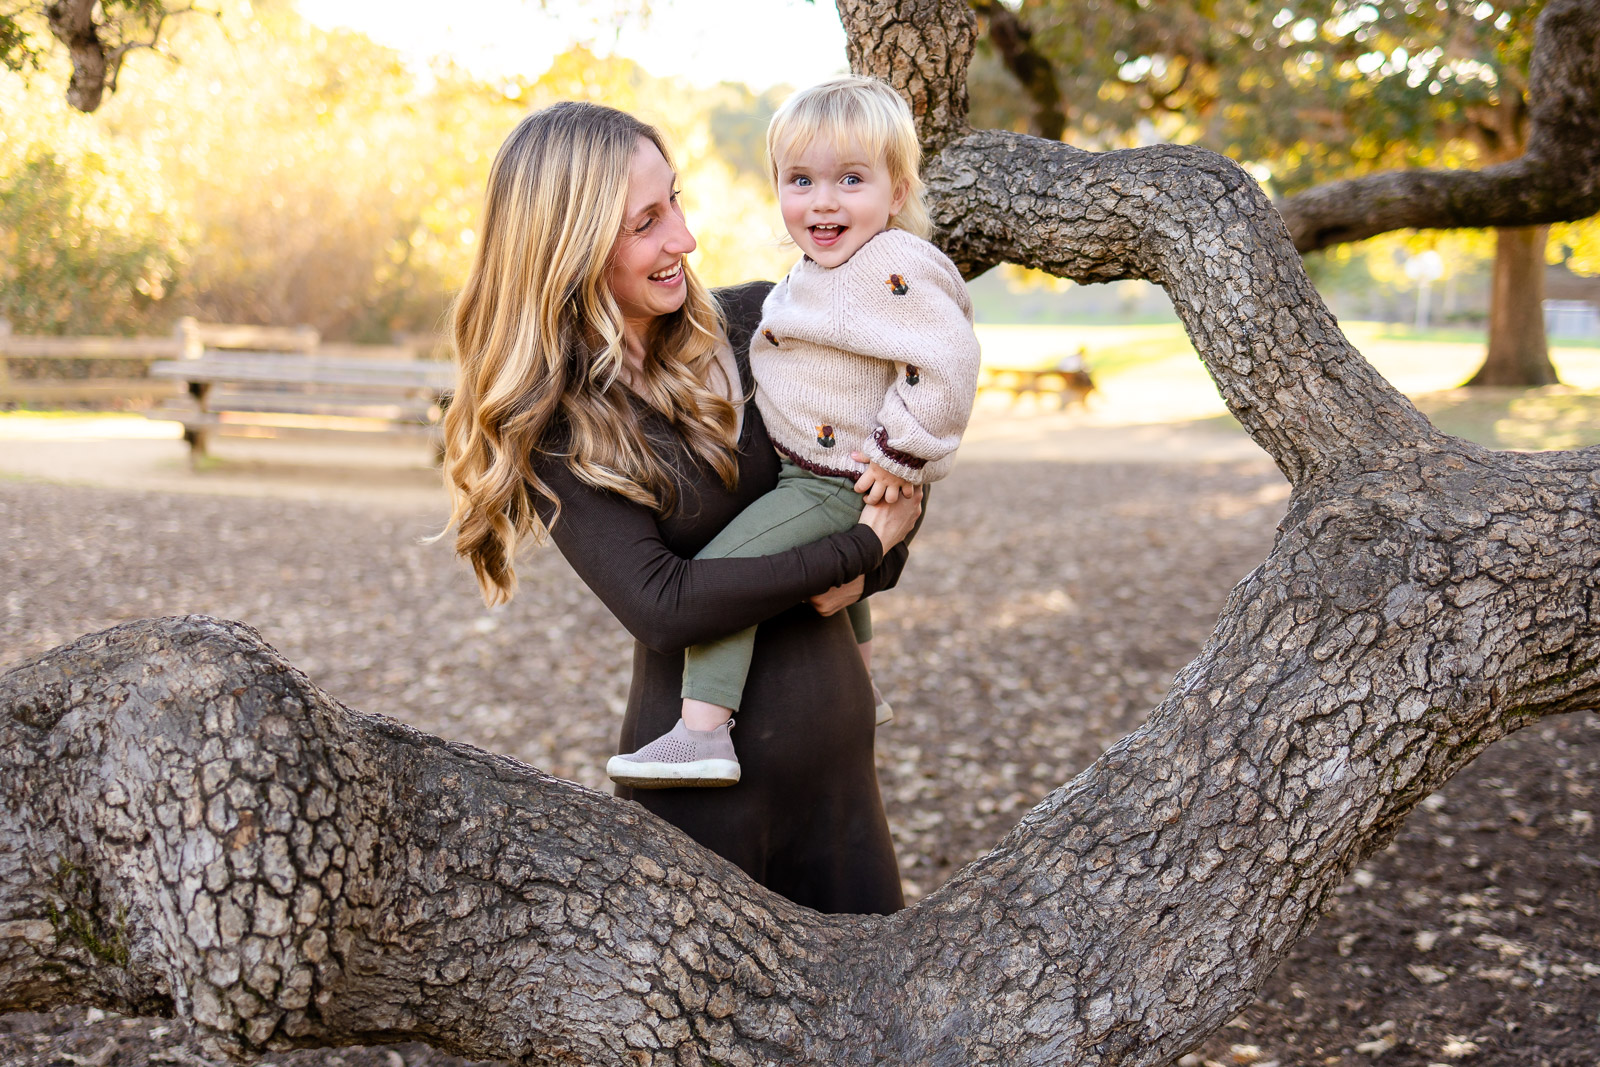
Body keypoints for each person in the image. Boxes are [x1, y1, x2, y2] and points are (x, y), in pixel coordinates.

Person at [440, 100, 920, 914]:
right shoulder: (559, 429)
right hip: (707, 807)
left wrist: (886, 552)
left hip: (843, 784)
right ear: (571, 246)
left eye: (678, 202)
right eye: (646, 223)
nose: (685, 239)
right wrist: (861, 554)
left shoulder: (765, 323)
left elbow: (873, 459)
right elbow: (663, 606)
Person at [605, 77, 981, 790]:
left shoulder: (888, 266)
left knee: (721, 572)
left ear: (898, 192)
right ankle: (863, 683)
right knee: (819, 578)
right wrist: (873, 540)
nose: (824, 200)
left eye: (851, 179)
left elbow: (949, 360)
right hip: (824, 467)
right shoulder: (820, 272)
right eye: (801, 179)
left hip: (829, 474)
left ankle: (703, 731)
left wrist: (900, 456)